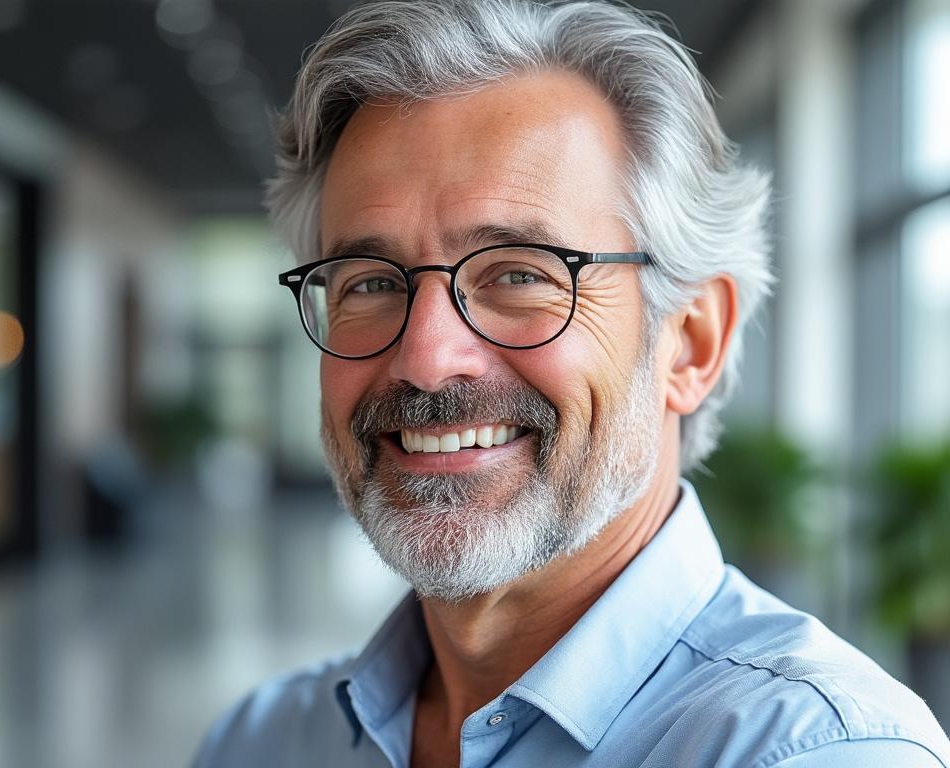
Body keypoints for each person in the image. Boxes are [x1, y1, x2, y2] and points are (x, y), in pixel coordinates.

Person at [193, 1, 950, 766]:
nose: (425, 357)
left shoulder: (815, 751)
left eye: (519, 274)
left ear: (689, 343)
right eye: (368, 283)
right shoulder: (264, 741)